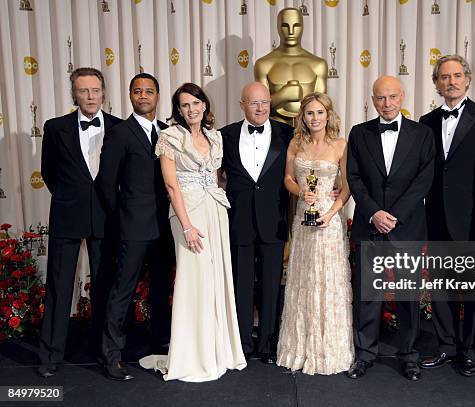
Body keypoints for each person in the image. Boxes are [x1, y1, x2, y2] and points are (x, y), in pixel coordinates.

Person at [139, 83, 246, 381]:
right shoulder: (170, 137)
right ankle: (192, 354)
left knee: (216, 278)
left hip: (214, 209)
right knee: (194, 279)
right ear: (178, 109)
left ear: (204, 105)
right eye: (185, 105)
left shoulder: (215, 136)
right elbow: (171, 186)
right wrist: (186, 225)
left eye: (195, 103)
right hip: (188, 213)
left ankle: (217, 349)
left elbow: (214, 178)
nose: (191, 109)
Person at [418, 55, 475, 376]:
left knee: (469, 290)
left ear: (467, 79)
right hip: (437, 216)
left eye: (456, 76)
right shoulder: (425, 122)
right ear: (436, 83)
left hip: (472, 219)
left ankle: (471, 351)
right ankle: (447, 346)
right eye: (444, 77)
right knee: (441, 288)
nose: (450, 82)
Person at [346, 76, 435, 381]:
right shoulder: (358, 133)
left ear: (402, 97)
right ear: (373, 100)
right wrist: (374, 213)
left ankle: (409, 355)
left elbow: (424, 179)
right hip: (370, 225)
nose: (386, 104)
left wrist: (393, 215)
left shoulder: (423, 134)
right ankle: (365, 353)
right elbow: (354, 177)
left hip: (406, 225)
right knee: (367, 295)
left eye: (392, 97)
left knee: (408, 296)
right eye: (381, 98)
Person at [38, 67, 121, 378]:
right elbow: (49, 173)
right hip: (67, 216)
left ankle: (104, 353)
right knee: (59, 287)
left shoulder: (118, 127)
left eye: (95, 90)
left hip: (106, 218)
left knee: (104, 286)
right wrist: (68, 199)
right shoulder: (55, 127)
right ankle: (50, 356)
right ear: (74, 94)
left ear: (103, 92)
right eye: (83, 91)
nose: (90, 96)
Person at [95, 73, 172, 381]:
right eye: (137, 91)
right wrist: (122, 218)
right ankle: (112, 355)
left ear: (157, 96)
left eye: (149, 91)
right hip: (132, 227)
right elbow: (105, 184)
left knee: (162, 289)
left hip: (165, 227)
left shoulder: (168, 133)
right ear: (130, 96)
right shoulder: (119, 133)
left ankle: (160, 344)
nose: (143, 96)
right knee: (123, 290)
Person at [276, 92, 353, 375]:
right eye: (309, 113)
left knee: (326, 281)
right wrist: (301, 191)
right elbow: (287, 178)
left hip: (328, 221)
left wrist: (332, 212)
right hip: (303, 218)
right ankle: (300, 347)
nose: (315, 118)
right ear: (303, 117)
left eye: (319, 112)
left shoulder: (341, 145)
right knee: (304, 279)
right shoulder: (296, 142)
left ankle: (328, 349)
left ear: (328, 115)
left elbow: (348, 185)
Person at [220, 82, 294, 363]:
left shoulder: (287, 133)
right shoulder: (224, 135)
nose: (261, 108)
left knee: (271, 284)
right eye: (254, 103)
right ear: (242, 105)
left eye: (265, 102)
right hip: (238, 221)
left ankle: (267, 343)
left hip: (273, 220)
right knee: (241, 284)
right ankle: (241, 344)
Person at [254, 7, 327, 125]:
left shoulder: (318, 64)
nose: (291, 31)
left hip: (308, 133)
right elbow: (260, 109)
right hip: (275, 132)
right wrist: (283, 95)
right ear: (277, 27)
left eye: (296, 25)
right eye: (285, 26)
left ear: (303, 27)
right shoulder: (263, 64)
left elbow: (322, 107)